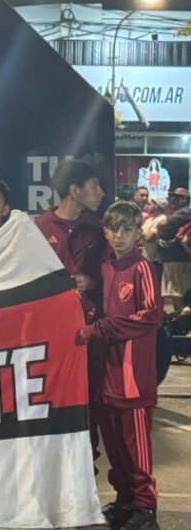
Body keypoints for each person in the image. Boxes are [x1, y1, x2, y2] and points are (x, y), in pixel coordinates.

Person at [75, 201, 162, 530]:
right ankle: (125, 501)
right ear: (106, 231)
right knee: (115, 445)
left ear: (138, 233)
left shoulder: (142, 267)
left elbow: (151, 316)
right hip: (107, 376)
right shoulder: (106, 267)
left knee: (136, 448)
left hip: (133, 378)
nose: (119, 236)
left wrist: (101, 328)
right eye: (113, 229)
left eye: (127, 230)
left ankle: (146, 507)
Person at [34, 160, 107, 322]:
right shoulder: (38, 228)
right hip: (48, 318)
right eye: (94, 186)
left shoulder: (99, 229)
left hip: (89, 322)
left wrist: (91, 282)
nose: (101, 193)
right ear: (74, 190)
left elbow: (109, 272)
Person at [143, 187, 191, 314]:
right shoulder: (176, 213)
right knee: (173, 294)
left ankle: (185, 325)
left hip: (180, 259)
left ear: (184, 200)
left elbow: (164, 227)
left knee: (180, 294)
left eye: (176, 198)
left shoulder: (185, 212)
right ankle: (180, 324)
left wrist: (160, 228)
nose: (172, 200)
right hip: (172, 259)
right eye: (172, 197)